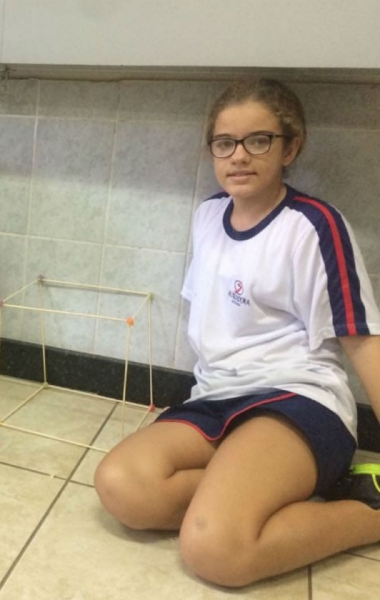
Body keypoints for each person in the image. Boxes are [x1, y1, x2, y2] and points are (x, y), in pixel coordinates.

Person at [94, 78, 380, 587]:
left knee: (215, 550)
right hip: (216, 399)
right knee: (123, 488)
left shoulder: (315, 225)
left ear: (290, 147)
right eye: (224, 143)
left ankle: (368, 509)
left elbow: (362, 340)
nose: (239, 156)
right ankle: (251, 492)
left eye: (258, 140)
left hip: (297, 401)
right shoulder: (208, 215)